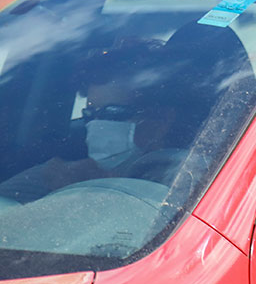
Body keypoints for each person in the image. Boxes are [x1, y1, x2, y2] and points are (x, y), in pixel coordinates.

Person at [0, 43, 185, 204]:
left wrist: (91, 188)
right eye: (90, 114)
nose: (96, 126)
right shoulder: (66, 170)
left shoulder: (189, 179)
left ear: (162, 120)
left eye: (112, 113)